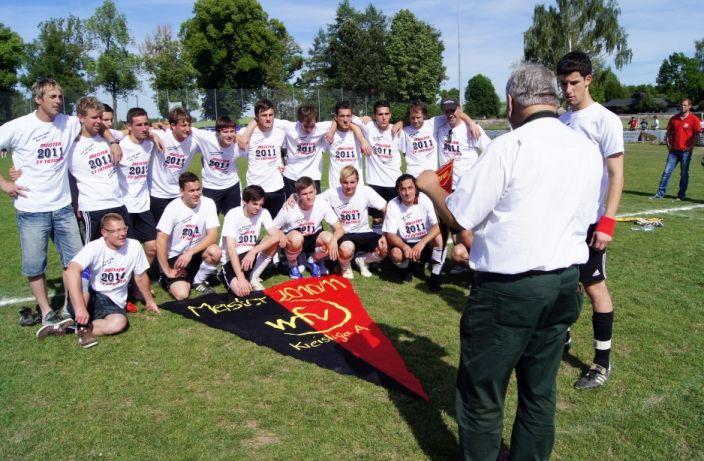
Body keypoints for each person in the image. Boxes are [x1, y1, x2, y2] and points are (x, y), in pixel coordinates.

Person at [416, 63, 602, 461]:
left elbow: (460, 215)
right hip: (563, 283)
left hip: (509, 289)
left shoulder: (510, 146)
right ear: (552, 98)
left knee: (482, 392)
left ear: (513, 102)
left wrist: (432, 187)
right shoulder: (586, 149)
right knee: (539, 390)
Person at [0, 78, 121, 335]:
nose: (58, 100)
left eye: (60, 96)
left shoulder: (68, 123)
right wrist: (4, 183)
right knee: (35, 265)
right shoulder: (19, 126)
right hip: (32, 209)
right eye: (52, 96)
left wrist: (111, 139)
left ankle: (69, 308)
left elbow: (95, 122)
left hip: (64, 208)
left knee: (75, 261)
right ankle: (46, 312)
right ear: (38, 99)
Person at [557, 51, 625, 389]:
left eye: (573, 83)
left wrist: (607, 222)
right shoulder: (561, 121)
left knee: (595, 287)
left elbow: (616, 175)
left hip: (591, 223)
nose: (567, 90)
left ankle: (601, 362)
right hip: (563, 222)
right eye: (563, 84)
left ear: (588, 79)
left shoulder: (605, 120)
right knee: (565, 284)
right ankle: (563, 338)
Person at [64, 213, 159, 348]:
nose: (122, 234)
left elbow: (141, 276)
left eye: (124, 229)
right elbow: (71, 271)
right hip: (93, 295)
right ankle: (80, 319)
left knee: (118, 323)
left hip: (114, 302)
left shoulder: (134, 245)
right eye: (116, 231)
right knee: (81, 280)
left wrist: (149, 301)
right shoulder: (94, 247)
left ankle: (76, 327)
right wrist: (79, 308)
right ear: (104, 233)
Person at [68, 97, 129, 242]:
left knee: (124, 248)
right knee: (94, 253)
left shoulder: (110, 136)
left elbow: (134, 133)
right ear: (81, 118)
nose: (99, 121)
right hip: (92, 207)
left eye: (100, 117)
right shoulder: (71, 144)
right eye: (94, 117)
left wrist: (153, 135)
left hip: (117, 203)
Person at [156, 172, 221, 300]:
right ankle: (163, 277)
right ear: (182, 191)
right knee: (182, 295)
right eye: (191, 191)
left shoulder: (208, 203)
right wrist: (167, 270)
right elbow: (160, 241)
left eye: (198, 189)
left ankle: (197, 280)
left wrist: (190, 252)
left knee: (216, 252)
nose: (196, 194)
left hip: (195, 252)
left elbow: (213, 236)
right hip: (176, 256)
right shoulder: (172, 208)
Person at [319, 166, 387, 279]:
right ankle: (345, 266)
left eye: (352, 182)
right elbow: (312, 200)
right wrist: (294, 196)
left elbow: (386, 208)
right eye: (345, 182)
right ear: (340, 181)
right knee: (346, 249)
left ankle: (363, 260)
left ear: (358, 181)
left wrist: (385, 234)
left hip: (365, 232)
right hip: (345, 234)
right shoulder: (332, 193)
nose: (349, 186)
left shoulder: (366, 191)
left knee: (385, 248)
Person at [272, 176, 343, 279]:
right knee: (297, 238)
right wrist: (282, 235)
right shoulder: (289, 207)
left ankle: (312, 260)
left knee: (330, 238)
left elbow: (339, 228)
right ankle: (293, 266)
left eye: (311, 192)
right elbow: (272, 228)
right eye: (304, 194)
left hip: (313, 237)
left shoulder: (322, 204)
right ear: (298, 195)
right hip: (294, 240)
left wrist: (334, 241)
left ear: (315, 191)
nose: (309, 197)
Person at [382, 174, 443, 291]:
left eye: (410, 188)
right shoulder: (393, 204)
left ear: (416, 189)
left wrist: (422, 243)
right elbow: (390, 234)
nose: (407, 192)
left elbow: (438, 226)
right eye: (403, 189)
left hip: (424, 242)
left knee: (439, 238)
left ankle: (435, 277)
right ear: (398, 191)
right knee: (396, 253)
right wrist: (405, 247)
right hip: (405, 242)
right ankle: (406, 270)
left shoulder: (425, 199)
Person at [219, 185, 283, 296]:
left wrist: (253, 251)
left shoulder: (263, 212)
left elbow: (276, 236)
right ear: (245, 201)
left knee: (273, 240)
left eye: (260, 204)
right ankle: (233, 275)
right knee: (241, 292)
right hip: (232, 258)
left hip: (250, 254)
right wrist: (240, 278)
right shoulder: (232, 215)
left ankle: (253, 277)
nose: (258, 208)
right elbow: (231, 249)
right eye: (254, 204)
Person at [148, 107, 207, 223]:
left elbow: (213, 144)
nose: (188, 129)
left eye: (189, 125)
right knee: (161, 234)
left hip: (178, 194)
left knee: (180, 230)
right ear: (173, 126)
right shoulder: (161, 136)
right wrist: (152, 134)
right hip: (157, 194)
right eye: (184, 125)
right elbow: (140, 133)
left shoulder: (193, 143)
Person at [117, 108, 158, 265]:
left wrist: (155, 136)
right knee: (127, 250)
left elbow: (163, 130)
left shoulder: (149, 144)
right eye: (139, 125)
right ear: (129, 126)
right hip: (124, 206)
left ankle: (141, 277)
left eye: (146, 124)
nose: (144, 128)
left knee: (152, 247)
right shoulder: (120, 146)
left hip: (143, 205)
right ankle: (130, 282)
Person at [399, 99, 481, 177]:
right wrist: (400, 123)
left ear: (424, 115)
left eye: (418, 117)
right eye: (412, 118)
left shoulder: (433, 123)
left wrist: (470, 122)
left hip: (433, 176)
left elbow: (456, 114)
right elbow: (403, 152)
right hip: (413, 175)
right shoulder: (404, 131)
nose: (415, 121)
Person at [435, 97, 492, 191]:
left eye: (452, 110)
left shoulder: (472, 129)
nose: (450, 114)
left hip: (468, 187)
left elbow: (491, 150)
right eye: (446, 111)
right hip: (446, 187)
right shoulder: (440, 129)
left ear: (459, 109)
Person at [651, 98, 701, 200]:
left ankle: (681, 195)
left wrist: (690, 147)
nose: (683, 107)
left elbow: (697, 135)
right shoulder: (674, 118)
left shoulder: (694, 119)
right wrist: (668, 144)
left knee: (683, 174)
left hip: (686, 152)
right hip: (673, 151)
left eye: (685, 105)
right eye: (681, 105)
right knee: (666, 172)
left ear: (689, 106)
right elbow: (668, 132)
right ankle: (660, 194)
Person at [197, 116, 244, 215]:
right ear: (217, 132)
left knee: (234, 222)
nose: (229, 135)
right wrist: (158, 128)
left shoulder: (238, 144)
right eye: (225, 132)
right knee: (207, 223)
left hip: (232, 186)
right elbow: (184, 128)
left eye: (232, 131)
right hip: (210, 187)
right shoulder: (206, 138)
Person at [323, 101, 367, 189]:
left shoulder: (361, 130)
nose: (345, 120)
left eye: (348, 116)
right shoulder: (328, 133)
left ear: (352, 117)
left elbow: (370, 122)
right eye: (342, 116)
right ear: (336, 117)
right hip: (336, 186)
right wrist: (332, 129)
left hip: (356, 186)